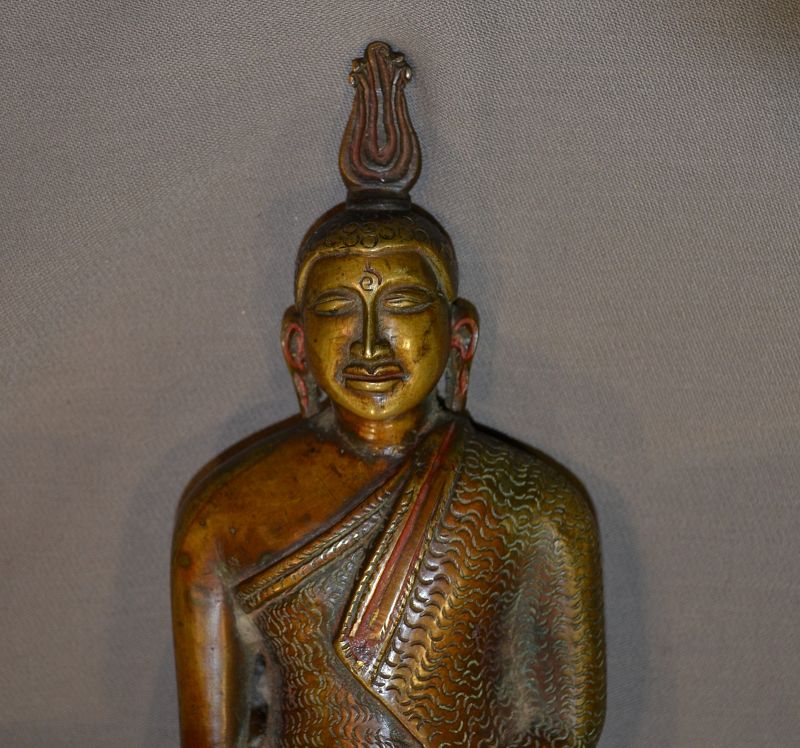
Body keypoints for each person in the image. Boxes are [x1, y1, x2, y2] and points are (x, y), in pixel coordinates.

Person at [172, 42, 605, 748]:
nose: (370, 344)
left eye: (402, 304)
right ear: (296, 344)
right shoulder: (225, 516)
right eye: (338, 308)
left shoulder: (539, 509)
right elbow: (211, 736)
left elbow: (562, 727)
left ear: (460, 336)